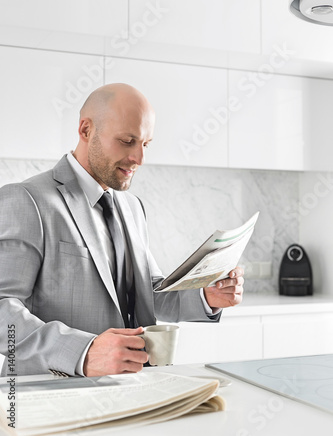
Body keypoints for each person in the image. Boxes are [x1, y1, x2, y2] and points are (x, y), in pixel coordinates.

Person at [0, 83, 244, 377]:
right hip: (51, 399)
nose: (139, 159)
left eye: (145, 144)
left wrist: (206, 296)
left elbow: (147, 292)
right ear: (86, 130)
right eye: (127, 141)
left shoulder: (132, 207)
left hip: (129, 392)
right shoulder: (27, 200)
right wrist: (83, 352)